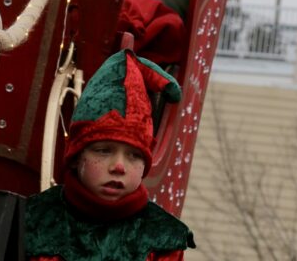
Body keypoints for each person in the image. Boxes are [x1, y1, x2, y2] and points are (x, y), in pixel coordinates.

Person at [23, 49, 195, 260]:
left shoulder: (163, 240)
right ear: (77, 156)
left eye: (133, 155)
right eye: (103, 151)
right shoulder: (30, 221)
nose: (119, 166)